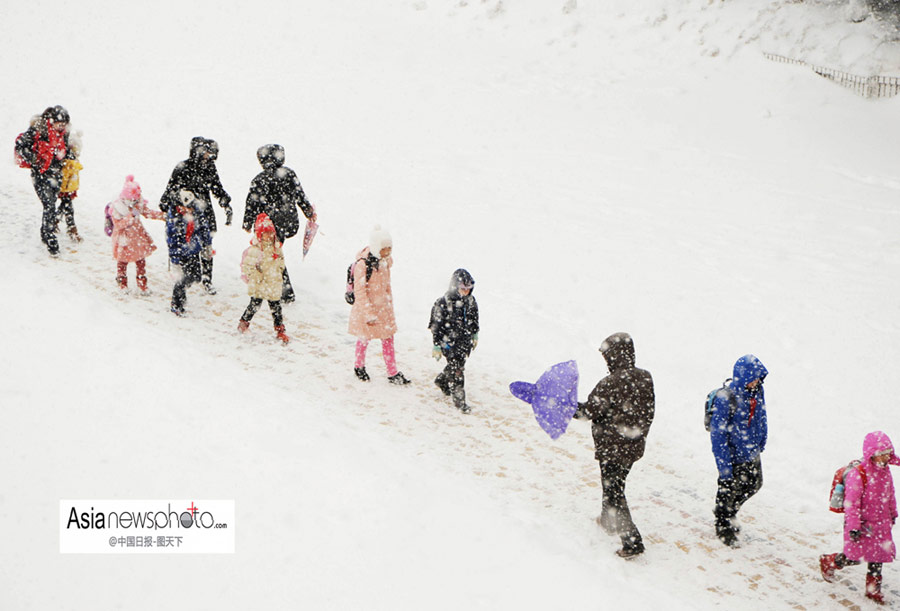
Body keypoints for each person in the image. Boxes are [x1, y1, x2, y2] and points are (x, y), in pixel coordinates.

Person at [573, 332, 655, 558]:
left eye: (608, 356)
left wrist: (565, 406)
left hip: (612, 449)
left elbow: (588, 411)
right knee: (614, 484)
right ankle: (609, 521)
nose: (607, 361)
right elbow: (649, 413)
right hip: (634, 447)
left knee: (614, 491)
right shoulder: (645, 377)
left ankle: (632, 542)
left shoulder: (610, 383)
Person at [820, 431, 899, 605]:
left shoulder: (885, 472)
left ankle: (873, 590)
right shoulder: (859, 474)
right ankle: (830, 561)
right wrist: (854, 526)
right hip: (862, 525)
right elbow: (852, 503)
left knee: (878, 557)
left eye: (887, 454)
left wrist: (893, 513)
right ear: (871, 455)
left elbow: (890, 494)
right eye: (881, 455)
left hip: (881, 523)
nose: (885, 458)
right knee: (854, 557)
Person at [242, 144, 316, 303]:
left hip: (270, 225)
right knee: (274, 253)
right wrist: (309, 212)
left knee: (273, 256)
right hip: (288, 222)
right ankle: (282, 289)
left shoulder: (260, 179)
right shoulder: (288, 174)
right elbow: (300, 195)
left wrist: (247, 222)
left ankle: (285, 292)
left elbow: (251, 203)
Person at [708, 354, 768, 548]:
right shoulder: (726, 398)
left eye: (759, 378)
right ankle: (723, 523)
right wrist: (724, 468)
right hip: (732, 455)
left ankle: (729, 512)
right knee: (728, 489)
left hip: (751, 450)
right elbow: (718, 436)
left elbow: (762, 415)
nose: (757, 381)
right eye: (754, 378)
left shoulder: (757, 391)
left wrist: (762, 439)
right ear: (744, 377)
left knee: (754, 484)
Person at [160, 137, 232, 294]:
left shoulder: (210, 168)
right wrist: (180, 198)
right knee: (187, 247)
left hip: (205, 212)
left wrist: (226, 203)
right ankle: (185, 278)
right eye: (206, 154)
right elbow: (168, 193)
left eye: (211, 155)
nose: (209, 158)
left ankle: (207, 279)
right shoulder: (182, 167)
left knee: (207, 246)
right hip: (185, 215)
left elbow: (217, 188)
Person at [348, 226, 409, 385]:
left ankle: (392, 372)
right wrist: (368, 313)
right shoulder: (364, 264)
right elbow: (360, 291)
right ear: (376, 247)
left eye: (390, 248)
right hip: (367, 309)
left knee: (388, 339)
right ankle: (359, 366)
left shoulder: (385, 261)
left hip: (383, 309)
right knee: (364, 338)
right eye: (384, 248)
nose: (388, 252)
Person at [16, 105, 72, 256]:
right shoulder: (39, 130)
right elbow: (20, 145)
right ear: (51, 121)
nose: (61, 127)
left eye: (64, 124)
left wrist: (67, 156)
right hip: (40, 174)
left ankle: (44, 231)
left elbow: (65, 150)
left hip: (56, 174)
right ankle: (50, 238)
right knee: (49, 205)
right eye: (59, 124)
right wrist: (34, 159)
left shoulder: (64, 134)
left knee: (51, 204)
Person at [428, 269, 479, 413]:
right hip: (448, 343)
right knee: (457, 370)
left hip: (465, 342)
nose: (466, 292)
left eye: (469, 289)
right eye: (463, 289)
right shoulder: (443, 303)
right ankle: (459, 400)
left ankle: (442, 380)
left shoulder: (471, 301)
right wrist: (437, 345)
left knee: (457, 365)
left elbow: (474, 319)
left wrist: (475, 334)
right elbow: (436, 326)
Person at [238, 213, 289, 344]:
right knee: (255, 304)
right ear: (259, 234)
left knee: (276, 307)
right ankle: (244, 322)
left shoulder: (276, 248)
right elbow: (247, 266)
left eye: (271, 233)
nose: (269, 236)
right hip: (259, 283)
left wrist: (279, 271)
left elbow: (281, 262)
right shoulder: (255, 250)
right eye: (265, 233)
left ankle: (280, 329)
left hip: (273, 282)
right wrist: (256, 275)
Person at [109, 175, 164, 293]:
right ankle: (122, 283)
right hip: (124, 238)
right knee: (122, 261)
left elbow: (148, 212)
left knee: (141, 261)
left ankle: (142, 284)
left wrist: (164, 216)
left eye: (135, 200)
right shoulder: (117, 208)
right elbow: (118, 225)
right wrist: (131, 217)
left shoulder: (137, 204)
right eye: (132, 200)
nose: (134, 203)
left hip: (138, 237)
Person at [165, 190, 207, 316]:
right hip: (181, 253)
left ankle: (182, 293)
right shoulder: (174, 219)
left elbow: (204, 228)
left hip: (193, 250)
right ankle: (177, 303)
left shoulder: (197, 213)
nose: (188, 210)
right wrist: (175, 259)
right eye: (184, 207)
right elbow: (172, 241)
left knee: (196, 275)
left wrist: (206, 243)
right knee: (181, 279)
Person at [57, 128, 83, 242]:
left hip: (67, 184)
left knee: (66, 203)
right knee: (67, 203)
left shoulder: (66, 157)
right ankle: (71, 228)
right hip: (67, 184)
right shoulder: (70, 160)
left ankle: (57, 221)